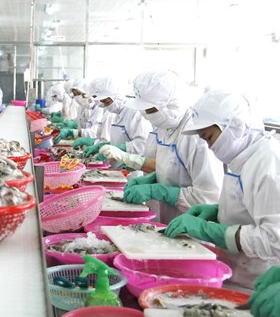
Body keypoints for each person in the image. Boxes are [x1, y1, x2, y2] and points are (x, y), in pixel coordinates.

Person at [164, 90, 280, 291]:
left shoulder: (268, 163)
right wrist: (219, 211)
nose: (209, 146)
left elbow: (274, 238)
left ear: (235, 127)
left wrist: (209, 231)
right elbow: (250, 205)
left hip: (258, 284)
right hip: (234, 271)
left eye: (209, 137)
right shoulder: (241, 156)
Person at [99, 70, 223, 224]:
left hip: (189, 225)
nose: (146, 115)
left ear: (171, 105)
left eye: (150, 110)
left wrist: (161, 191)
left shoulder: (195, 136)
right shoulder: (165, 127)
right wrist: (153, 179)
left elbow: (209, 197)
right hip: (164, 217)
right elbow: (170, 169)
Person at [75, 76, 150, 159]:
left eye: (106, 101)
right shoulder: (116, 113)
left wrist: (117, 149)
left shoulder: (135, 112)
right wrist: (102, 146)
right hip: (117, 163)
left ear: (117, 96)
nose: (105, 105)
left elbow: (142, 144)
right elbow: (118, 141)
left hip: (130, 165)